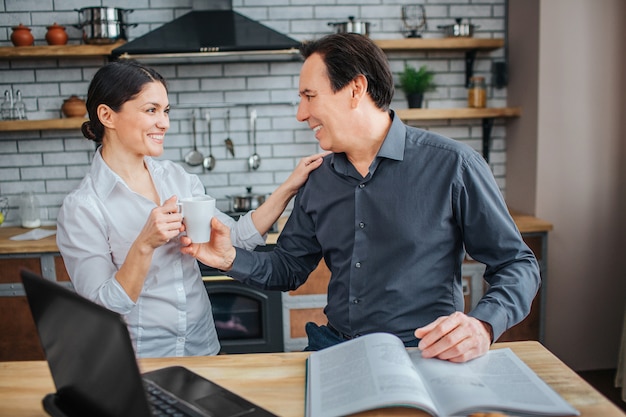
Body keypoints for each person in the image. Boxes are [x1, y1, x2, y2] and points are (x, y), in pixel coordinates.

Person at [181, 33, 541, 363]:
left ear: (356, 89)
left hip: (424, 353)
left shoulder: (453, 165)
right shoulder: (318, 179)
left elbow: (517, 264)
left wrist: (483, 325)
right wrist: (229, 258)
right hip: (335, 348)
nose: (300, 114)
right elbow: (288, 268)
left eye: (309, 96)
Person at [56, 60, 326, 358]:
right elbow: (103, 307)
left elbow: (236, 237)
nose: (164, 123)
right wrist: (144, 245)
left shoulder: (176, 178)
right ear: (107, 115)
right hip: (140, 360)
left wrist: (289, 187)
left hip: (203, 349)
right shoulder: (83, 207)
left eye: (166, 110)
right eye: (151, 110)